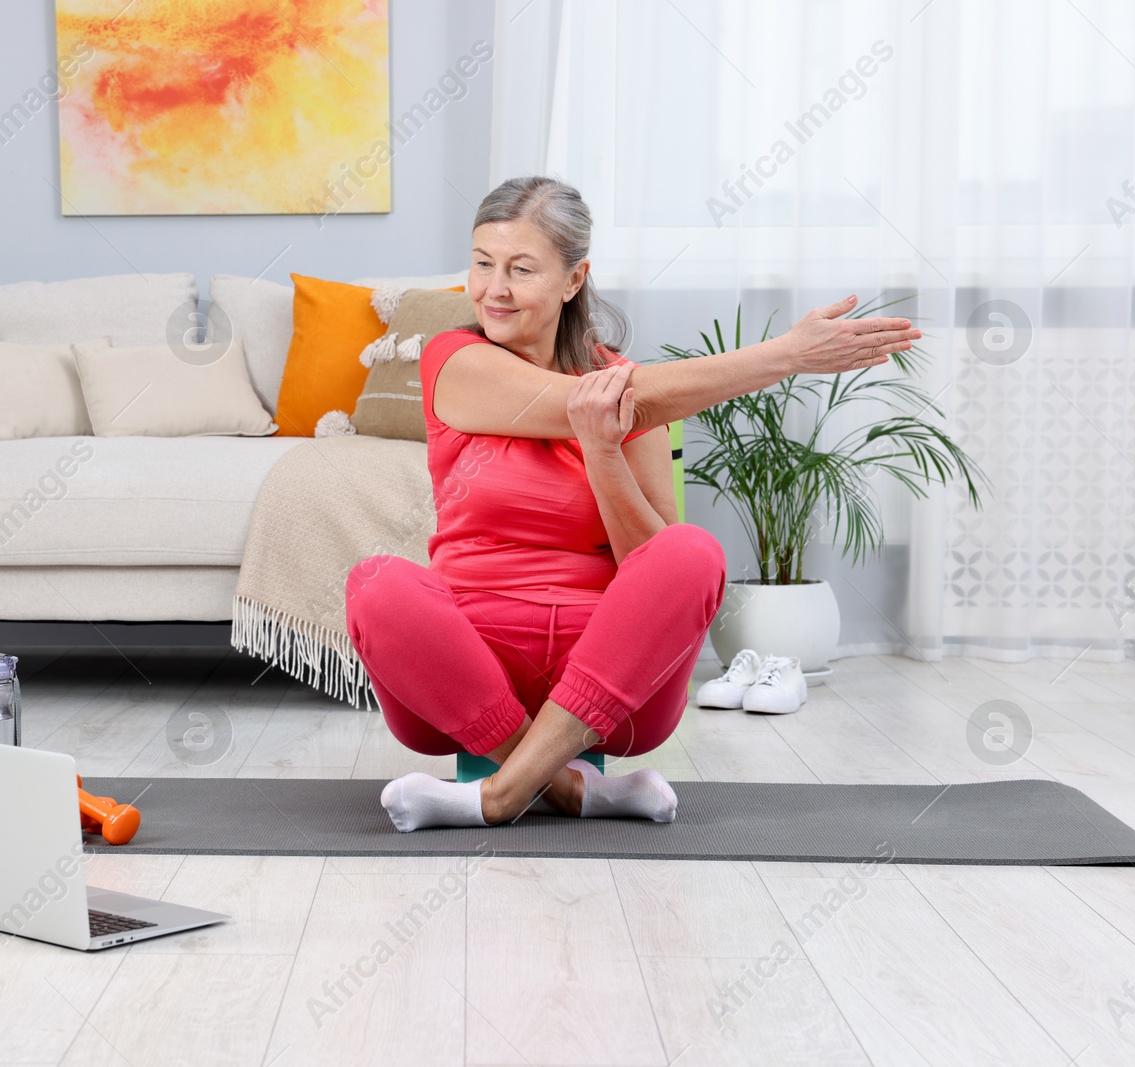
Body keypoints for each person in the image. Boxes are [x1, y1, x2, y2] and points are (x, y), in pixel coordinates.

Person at [344, 176, 921, 832]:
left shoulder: (628, 381)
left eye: (520, 269)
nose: (492, 289)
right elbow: (625, 399)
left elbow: (652, 563)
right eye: (482, 264)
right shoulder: (454, 359)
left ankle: (499, 796)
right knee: (376, 583)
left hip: (607, 685)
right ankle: (562, 786)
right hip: (469, 672)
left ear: (572, 279)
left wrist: (604, 454)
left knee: (691, 551)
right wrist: (786, 355)